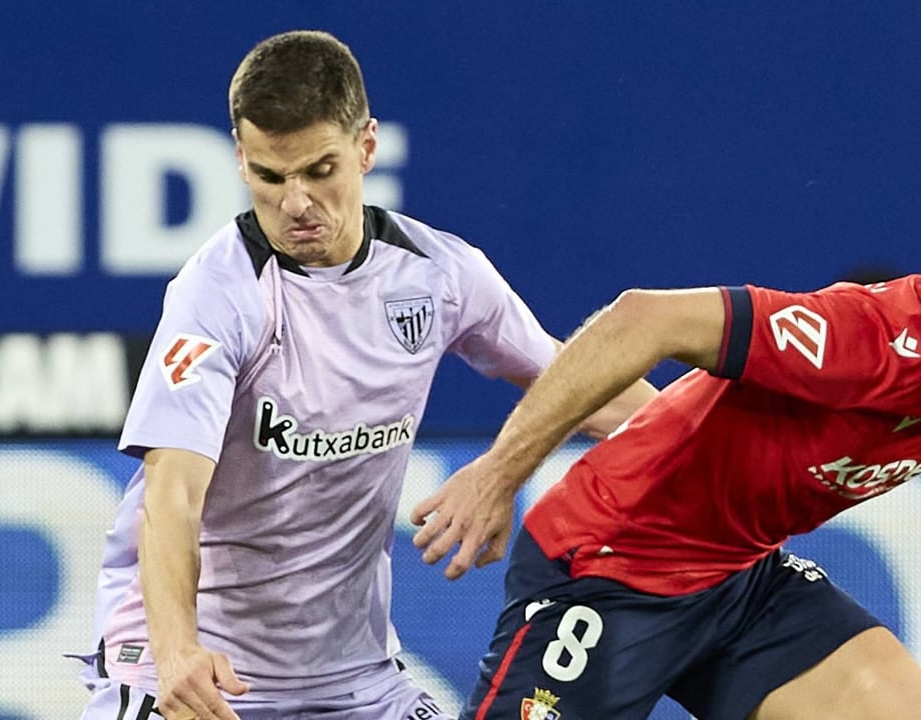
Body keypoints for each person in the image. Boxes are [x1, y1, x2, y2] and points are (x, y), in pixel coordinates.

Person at [69, 29, 655, 720]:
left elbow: (584, 390)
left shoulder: (440, 274)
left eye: (320, 170)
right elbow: (172, 494)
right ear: (241, 159)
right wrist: (175, 652)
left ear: (366, 147)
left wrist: (716, 431)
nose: (295, 202)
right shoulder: (218, 293)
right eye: (269, 176)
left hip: (352, 677)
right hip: (194, 668)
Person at [411, 275, 921, 718]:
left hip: (741, 578)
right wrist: (498, 474)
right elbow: (644, 318)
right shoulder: (875, 337)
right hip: (612, 564)